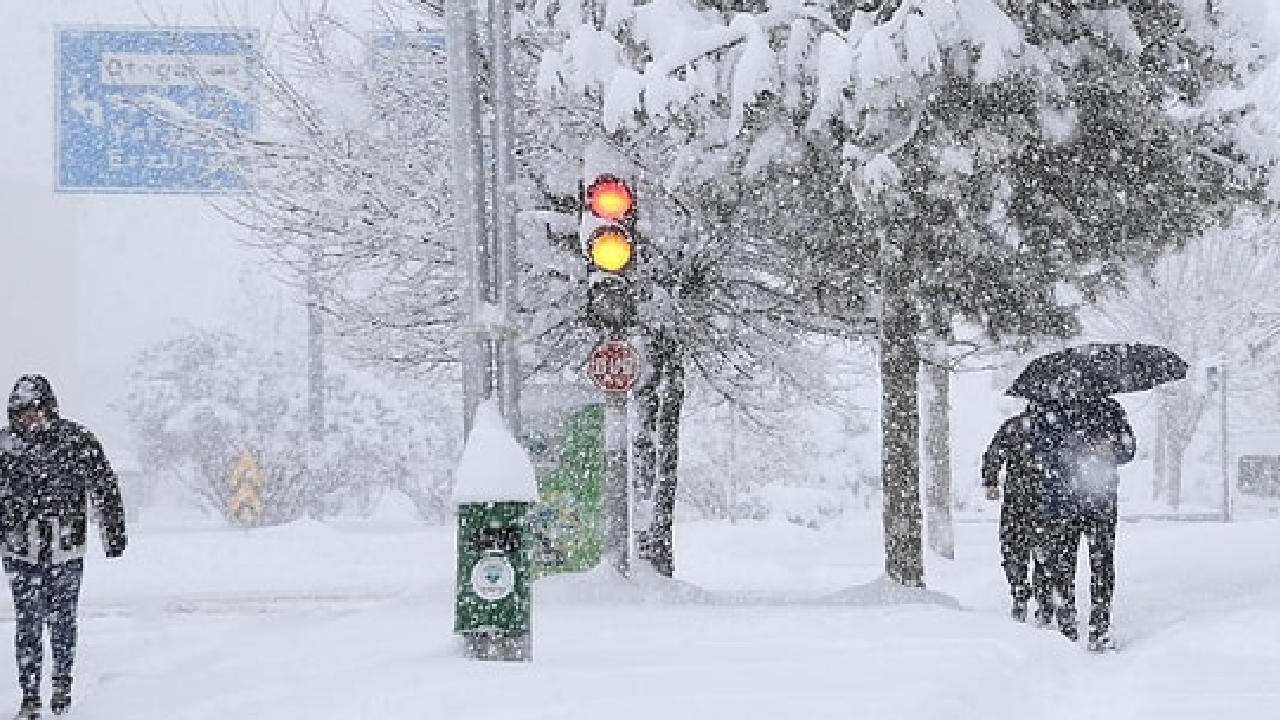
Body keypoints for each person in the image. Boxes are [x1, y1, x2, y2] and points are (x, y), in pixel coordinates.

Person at [0, 375, 127, 718]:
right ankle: (30, 697)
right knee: (27, 623)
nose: (31, 418)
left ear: (50, 408)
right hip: (19, 550)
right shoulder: (4, 447)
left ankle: (61, 685)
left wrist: (113, 531)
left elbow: (104, 485)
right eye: (23, 412)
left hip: (65, 548)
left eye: (36, 410)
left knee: (62, 621)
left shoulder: (76, 440)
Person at [1029, 395, 1134, 652]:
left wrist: (1112, 448)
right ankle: (1067, 628)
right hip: (1064, 501)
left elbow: (1129, 450)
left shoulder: (1111, 410)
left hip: (1101, 501)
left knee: (1102, 565)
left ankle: (1099, 630)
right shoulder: (1051, 411)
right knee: (1064, 566)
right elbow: (1037, 450)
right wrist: (1075, 448)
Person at [981, 405, 1054, 625]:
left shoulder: (1015, 426)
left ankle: (1024, 594)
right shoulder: (1052, 427)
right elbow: (994, 454)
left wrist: (991, 481)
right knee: (1041, 553)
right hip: (1042, 502)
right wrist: (991, 480)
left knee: (1015, 550)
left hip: (1020, 501)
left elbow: (993, 454)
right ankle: (1038, 599)